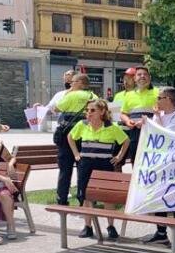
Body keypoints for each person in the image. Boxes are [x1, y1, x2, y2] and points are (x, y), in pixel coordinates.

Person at [68, 100, 129, 239]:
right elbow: (70, 137)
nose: (88, 113)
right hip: (86, 164)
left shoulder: (111, 127)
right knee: (86, 195)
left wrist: (119, 157)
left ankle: (111, 226)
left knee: (107, 196)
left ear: (102, 111)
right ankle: (88, 227)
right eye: (87, 110)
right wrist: (76, 154)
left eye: (92, 110)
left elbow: (126, 141)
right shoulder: (82, 125)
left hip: (104, 164)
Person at [141, 87, 175, 246]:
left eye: (160, 98)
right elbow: (154, 135)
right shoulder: (159, 116)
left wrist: (155, 118)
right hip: (160, 164)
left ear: (168, 99)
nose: (157, 101)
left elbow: (166, 135)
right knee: (160, 196)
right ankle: (161, 231)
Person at [53, 74, 98, 208]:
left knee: (65, 170)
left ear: (80, 82)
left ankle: (62, 199)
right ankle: (84, 200)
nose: (70, 84)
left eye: (73, 82)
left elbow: (56, 108)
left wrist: (70, 93)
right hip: (87, 135)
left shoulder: (71, 95)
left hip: (68, 135)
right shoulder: (93, 97)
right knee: (84, 170)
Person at [120, 67, 158, 165]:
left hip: (152, 133)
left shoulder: (158, 93)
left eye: (145, 74)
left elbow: (163, 113)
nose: (142, 76)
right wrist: (128, 121)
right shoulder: (129, 95)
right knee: (136, 161)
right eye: (139, 74)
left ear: (150, 77)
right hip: (134, 133)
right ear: (134, 79)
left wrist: (147, 122)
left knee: (151, 161)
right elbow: (123, 114)